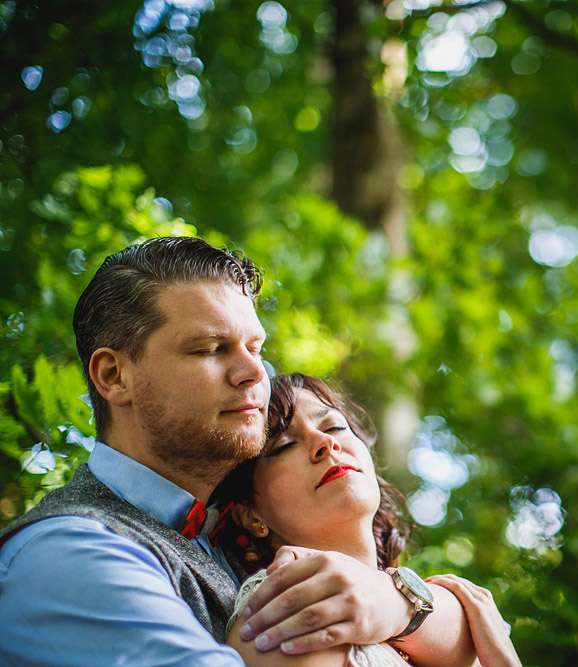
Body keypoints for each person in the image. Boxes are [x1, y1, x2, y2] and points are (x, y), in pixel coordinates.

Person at [0, 237, 474, 666]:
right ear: (113, 376)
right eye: (210, 349)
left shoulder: (231, 539)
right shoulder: (70, 553)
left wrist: (397, 601)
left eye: (255, 348)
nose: (254, 374)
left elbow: (467, 621)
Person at [214, 372, 521, 667]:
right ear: (251, 514)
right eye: (284, 445)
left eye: (335, 426)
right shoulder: (280, 606)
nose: (325, 442)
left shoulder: (444, 613)